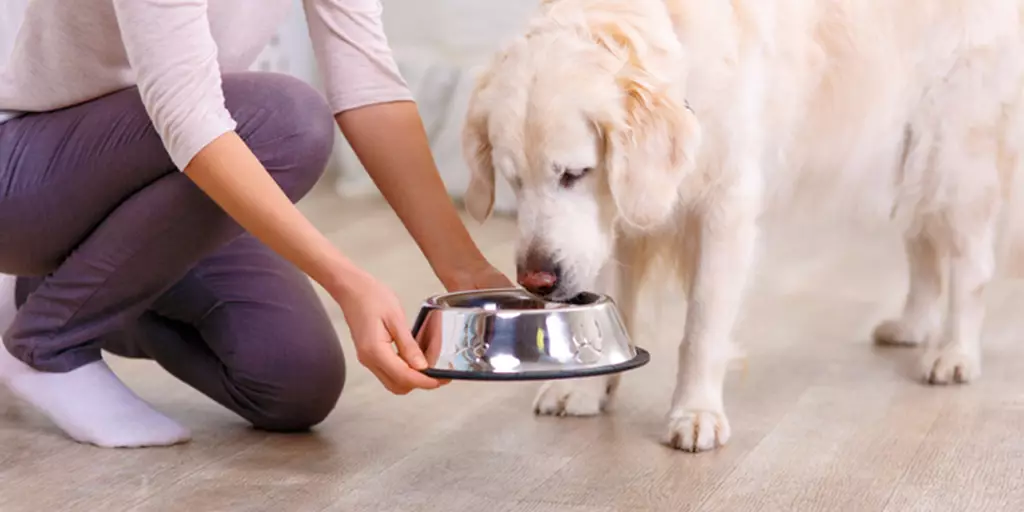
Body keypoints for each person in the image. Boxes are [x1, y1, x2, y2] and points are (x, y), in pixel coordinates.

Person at [0, 0, 512, 448]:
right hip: (28, 179)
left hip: (160, 183)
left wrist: (465, 269)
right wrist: (346, 281)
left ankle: (56, 289)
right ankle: (47, 342)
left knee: (293, 382)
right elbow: (189, 118)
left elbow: (369, 86)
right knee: (288, 121)